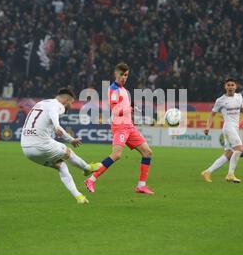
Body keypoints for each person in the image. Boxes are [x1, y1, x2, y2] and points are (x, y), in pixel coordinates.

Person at [20, 88, 101, 204]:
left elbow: (50, 120)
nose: (71, 106)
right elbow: (54, 112)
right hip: (40, 145)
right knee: (67, 152)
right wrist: (57, 125)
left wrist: (71, 139)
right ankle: (87, 168)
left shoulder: (42, 103)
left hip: (27, 149)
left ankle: (79, 197)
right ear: (66, 100)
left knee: (61, 166)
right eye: (71, 103)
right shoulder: (57, 105)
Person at [84, 63, 155, 194]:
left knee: (147, 152)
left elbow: (125, 106)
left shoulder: (125, 91)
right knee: (116, 155)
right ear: (116, 74)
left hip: (129, 126)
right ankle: (91, 179)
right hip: (120, 126)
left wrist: (132, 106)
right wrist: (129, 108)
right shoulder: (113, 89)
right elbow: (115, 110)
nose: (124, 77)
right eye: (121, 75)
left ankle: (141, 185)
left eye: (126, 75)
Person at [201, 78, 243, 183]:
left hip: (235, 128)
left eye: (232, 85)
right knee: (240, 149)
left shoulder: (239, 97)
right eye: (228, 85)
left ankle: (207, 172)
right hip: (228, 127)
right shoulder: (220, 100)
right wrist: (207, 127)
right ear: (225, 87)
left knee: (228, 154)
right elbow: (212, 114)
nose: (230, 87)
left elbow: (242, 109)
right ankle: (230, 174)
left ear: (236, 87)